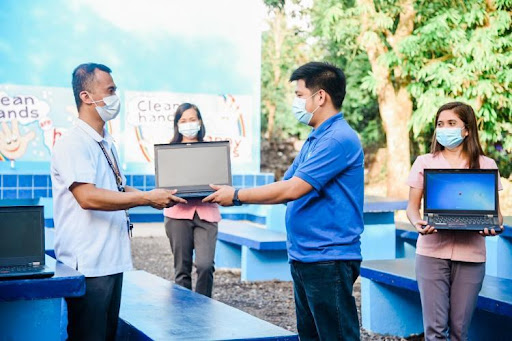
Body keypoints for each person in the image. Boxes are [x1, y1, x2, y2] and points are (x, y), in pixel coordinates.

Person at [204, 61, 364, 340]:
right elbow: (283, 184)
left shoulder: (337, 139)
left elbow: (292, 190)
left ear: (321, 96)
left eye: (300, 95)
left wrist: (237, 196)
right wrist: (232, 190)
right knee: (311, 335)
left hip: (328, 257)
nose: (296, 102)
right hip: (306, 255)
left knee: (336, 336)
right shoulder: (316, 139)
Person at [51, 63, 186, 341]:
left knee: (106, 334)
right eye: (110, 90)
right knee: (90, 335)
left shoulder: (105, 142)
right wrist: (146, 197)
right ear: (86, 96)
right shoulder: (74, 143)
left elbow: (117, 186)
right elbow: (87, 196)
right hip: (88, 263)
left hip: (110, 258)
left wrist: (153, 197)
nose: (115, 97)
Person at [406, 101, 504, 341]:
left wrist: (493, 227)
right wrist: (418, 223)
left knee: (460, 332)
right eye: (440, 124)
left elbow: (497, 215)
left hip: (471, 256)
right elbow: (411, 207)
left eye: (452, 123)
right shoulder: (424, 162)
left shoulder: (486, 164)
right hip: (431, 254)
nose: (444, 129)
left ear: (467, 129)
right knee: (435, 331)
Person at [163, 103, 221, 297]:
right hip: (177, 214)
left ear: (200, 122)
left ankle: (204, 306)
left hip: (207, 213)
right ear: (177, 124)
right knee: (182, 269)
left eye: (192, 119)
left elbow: (221, 180)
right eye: (183, 121)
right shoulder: (168, 152)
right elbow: (164, 185)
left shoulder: (213, 151)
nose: (188, 124)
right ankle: (183, 309)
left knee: (205, 265)